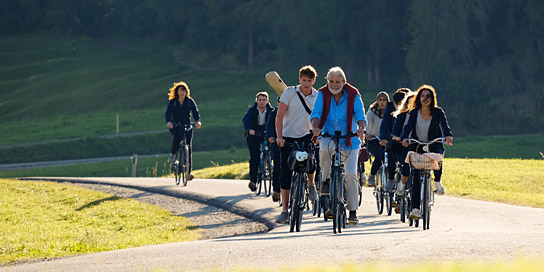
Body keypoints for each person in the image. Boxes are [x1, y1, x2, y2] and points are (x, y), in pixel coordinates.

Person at [311, 66, 367, 225]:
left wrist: (361, 128)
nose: (334, 85)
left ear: (344, 82)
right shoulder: (322, 93)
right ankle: (326, 180)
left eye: (338, 82)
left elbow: (360, 114)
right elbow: (316, 113)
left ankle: (353, 211)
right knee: (324, 149)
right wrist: (315, 127)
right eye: (331, 81)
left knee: (350, 174)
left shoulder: (353, 94)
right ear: (327, 81)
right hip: (328, 134)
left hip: (349, 138)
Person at [397, 84, 453, 220]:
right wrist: (404, 138)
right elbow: (408, 127)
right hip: (417, 145)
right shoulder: (415, 112)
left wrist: (448, 136)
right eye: (423, 95)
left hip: (434, 143)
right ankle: (415, 209)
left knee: (438, 158)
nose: (425, 98)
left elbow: (444, 125)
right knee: (416, 176)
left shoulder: (438, 112)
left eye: (428, 96)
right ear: (419, 98)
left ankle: (438, 182)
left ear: (432, 98)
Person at [275, 65, 319, 224]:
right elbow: (279, 116)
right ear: (299, 79)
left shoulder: (317, 96)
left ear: (314, 81)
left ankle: (311, 184)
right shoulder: (289, 93)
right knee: (285, 172)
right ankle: (285, 210)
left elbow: (320, 116)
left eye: (309, 80)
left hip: (307, 135)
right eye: (303, 80)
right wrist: (279, 137)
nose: (306, 83)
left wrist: (317, 132)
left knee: (310, 162)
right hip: (287, 136)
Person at [165, 81, 202, 181]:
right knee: (177, 138)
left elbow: (195, 112)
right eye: (180, 90)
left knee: (188, 148)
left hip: (187, 125)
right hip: (176, 125)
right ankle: (173, 154)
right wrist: (169, 122)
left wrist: (198, 121)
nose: (182, 92)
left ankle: (188, 173)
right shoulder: (173, 102)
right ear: (177, 92)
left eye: (184, 90)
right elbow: (168, 113)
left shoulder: (189, 101)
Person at [378, 88, 411, 192]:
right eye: (397, 105)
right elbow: (385, 124)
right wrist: (384, 138)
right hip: (394, 137)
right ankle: (391, 178)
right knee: (391, 151)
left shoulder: (411, 109)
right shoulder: (390, 108)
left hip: (409, 139)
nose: (399, 107)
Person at [243, 92, 273, 192]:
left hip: (266, 133)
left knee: (273, 152)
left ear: (267, 101)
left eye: (264, 100)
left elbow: (274, 121)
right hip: (254, 134)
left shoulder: (271, 111)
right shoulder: (252, 110)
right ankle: (253, 181)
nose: (261, 102)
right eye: (260, 100)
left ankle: (269, 165)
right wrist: (249, 129)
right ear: (256, 101)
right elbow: (246, 120)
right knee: (255, 157)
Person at [365, 92, 389, 188]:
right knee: (380, 155)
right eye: (380, 100)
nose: (382, 102)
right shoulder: (372, 112)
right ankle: (372, 175)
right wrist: (367, 134)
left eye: (384, 100)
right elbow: (366, 123)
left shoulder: (390, 112)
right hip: (374, 140)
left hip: (387, 140)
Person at [265, 97, 281, 202]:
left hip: (291, 141)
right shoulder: (274, 113)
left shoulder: (295, 112)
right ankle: (276, 190)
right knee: (277, 166)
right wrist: (271, 136)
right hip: (277, 142)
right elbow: (270, 126)